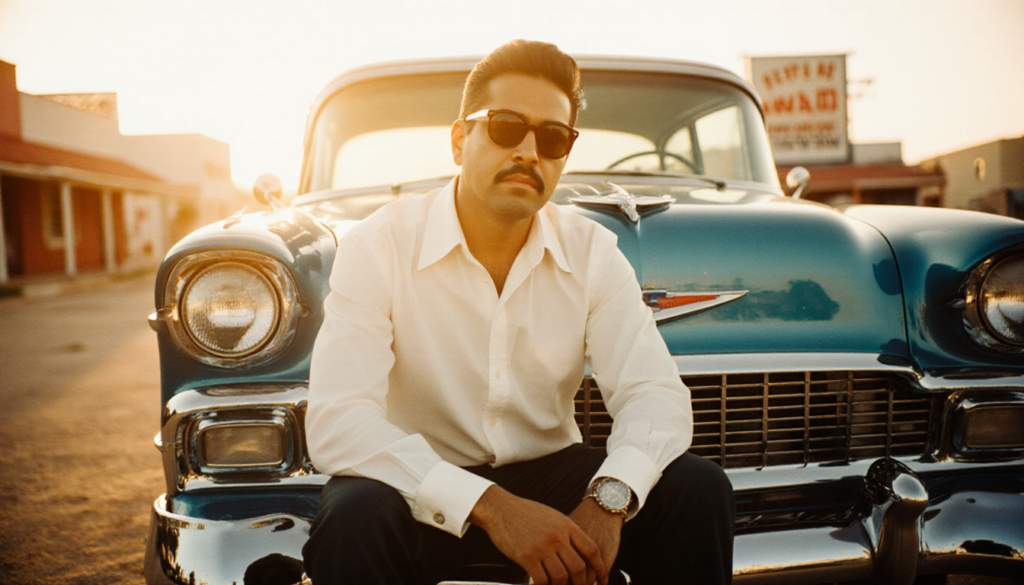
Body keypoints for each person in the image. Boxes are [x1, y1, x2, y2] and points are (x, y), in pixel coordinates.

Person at [303, 39, 734, 585]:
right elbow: (339, 421)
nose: (530, 151)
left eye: (553, 138)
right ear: (460, 140)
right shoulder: (379, 245)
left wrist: (610, 499)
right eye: (507, 127)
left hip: (553, 474)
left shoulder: (592, 252)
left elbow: (655, 395)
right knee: (354, 518)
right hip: (416, 482)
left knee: (697, 490)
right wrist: (494, 507)